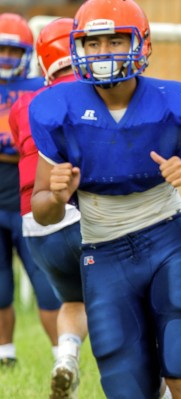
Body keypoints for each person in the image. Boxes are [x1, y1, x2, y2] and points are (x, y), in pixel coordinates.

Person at [29, 0, 181, 397]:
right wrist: (55, 195)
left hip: (169, 243)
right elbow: (42, 210)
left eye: (116, 39)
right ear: (78, 48)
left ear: (143, 45)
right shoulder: (59, 110)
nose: (103, 52)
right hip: (103, 253)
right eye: (93, 42)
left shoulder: (173, 105)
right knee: (126, 387)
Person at [0, 12, 61, 368]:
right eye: (1, 50)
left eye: (13, 51)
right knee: (0, 286)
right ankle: (5, 354)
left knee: (46, 280)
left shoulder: (40, 88)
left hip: (28, 197)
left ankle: (62, 355)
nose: (6, 59)